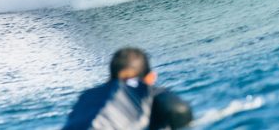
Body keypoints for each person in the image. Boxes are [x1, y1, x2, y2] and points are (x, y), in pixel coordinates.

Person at [62, 47, 193, 130]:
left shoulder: (87, 96)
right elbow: (178, 109)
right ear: (151, 78)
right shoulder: (149, 92)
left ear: (109, 79)